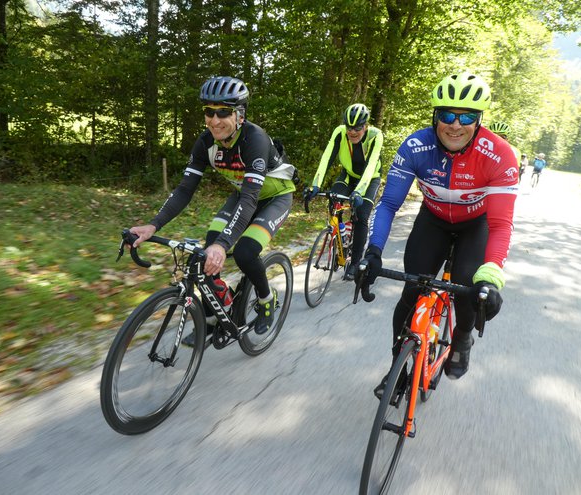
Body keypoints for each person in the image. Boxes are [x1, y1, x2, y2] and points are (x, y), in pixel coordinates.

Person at [360, 72, 518, 388]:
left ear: (479, 121)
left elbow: (501, 224)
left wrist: (491, 276)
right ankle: (398, 370)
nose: (455, 124)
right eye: (447, 114)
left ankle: (461, 338)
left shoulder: (499, 155)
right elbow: (389, 205)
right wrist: (373, 251)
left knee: (467, 291)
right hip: (432, 221)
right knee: (412, 292)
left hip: (476, 226)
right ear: (435, 116)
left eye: (467, 117)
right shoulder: (416, 146)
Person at [129, 76, 296, 343]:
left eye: (223, 112)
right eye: (209, 111)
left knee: (244, 251)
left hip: (274, 198)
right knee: (206, 254)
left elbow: (252, 199)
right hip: (243, 196)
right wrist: (153, 225)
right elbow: (184, 190)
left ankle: (266, 299)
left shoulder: (255, 139)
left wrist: (224, 244)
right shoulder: (206, 143)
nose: (214, 120)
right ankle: (211, 317)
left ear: (239, 115)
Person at [304, 103, 384, 281]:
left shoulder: (375, 135)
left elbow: (371, 166)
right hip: (348, 175)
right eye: (349, 127)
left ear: (366, 126)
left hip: (369, 179)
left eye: (357, 128)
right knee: (333, 201)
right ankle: (340, 240)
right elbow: (327, 157)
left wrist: (359, 191)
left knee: (361, 216)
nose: (352, 132)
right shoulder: (340, 132)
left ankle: (355, 262)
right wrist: (315, 185)